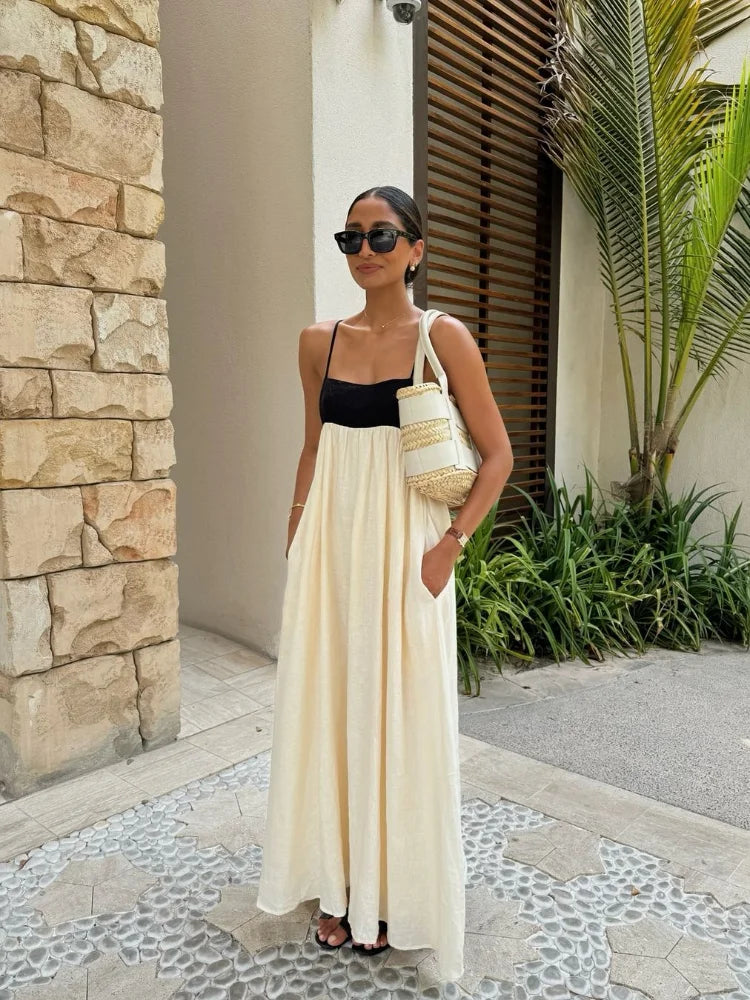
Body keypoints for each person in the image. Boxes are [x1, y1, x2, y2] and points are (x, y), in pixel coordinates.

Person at [255, 185, 513, 982]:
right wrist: (297, 529)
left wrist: (450, 547)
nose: (364, 251)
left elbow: (498, 455)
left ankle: (391, 891)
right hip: (330, 552)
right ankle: (337, 885)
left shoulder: (442, 337)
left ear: (414, 249)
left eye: (381, 236)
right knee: (329, 708)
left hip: (410, 554)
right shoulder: (317, 342)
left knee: (400, 713)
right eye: (351, 238)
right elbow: (314, 446)